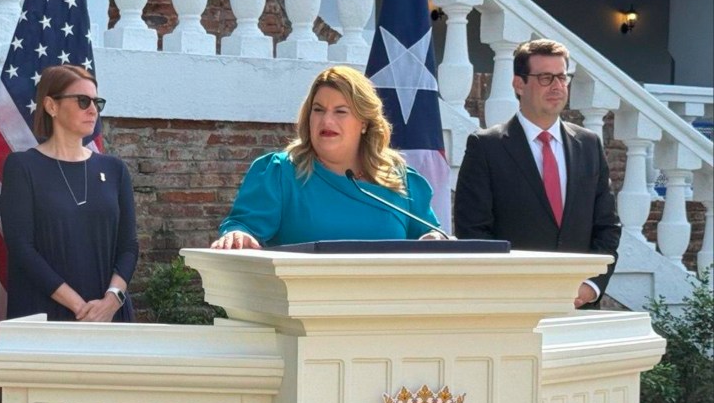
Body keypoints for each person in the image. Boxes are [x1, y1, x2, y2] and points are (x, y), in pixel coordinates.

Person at [454, 38, 621, 308]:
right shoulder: (486, 147)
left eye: (561, 77)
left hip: (577, 307)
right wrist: (522, 288)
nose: (557, 86)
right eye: (545, 78)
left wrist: (591, 286)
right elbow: (473, 232)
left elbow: (607, 226)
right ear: (519, 84)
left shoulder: (588, 144)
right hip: (511, 308)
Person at [211, 65, 445, 250]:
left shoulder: (402, 183)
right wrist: (237, 235)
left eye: (340, 111)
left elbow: (430, 239)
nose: (326, 121)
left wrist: (435, 238)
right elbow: (244, 227)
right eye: (318, 109)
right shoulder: (280, 174)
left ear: (364, 122)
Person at [0, 64, 138, 321]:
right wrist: (80, 307)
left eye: (97, 102)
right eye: (83, 101)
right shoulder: (23, 167)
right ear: (51, 106)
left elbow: (128, 246)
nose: (93, 109)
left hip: (110, 313)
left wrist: (112, 299)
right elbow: (21, 247)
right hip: (46, 313)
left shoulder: (115, 169)